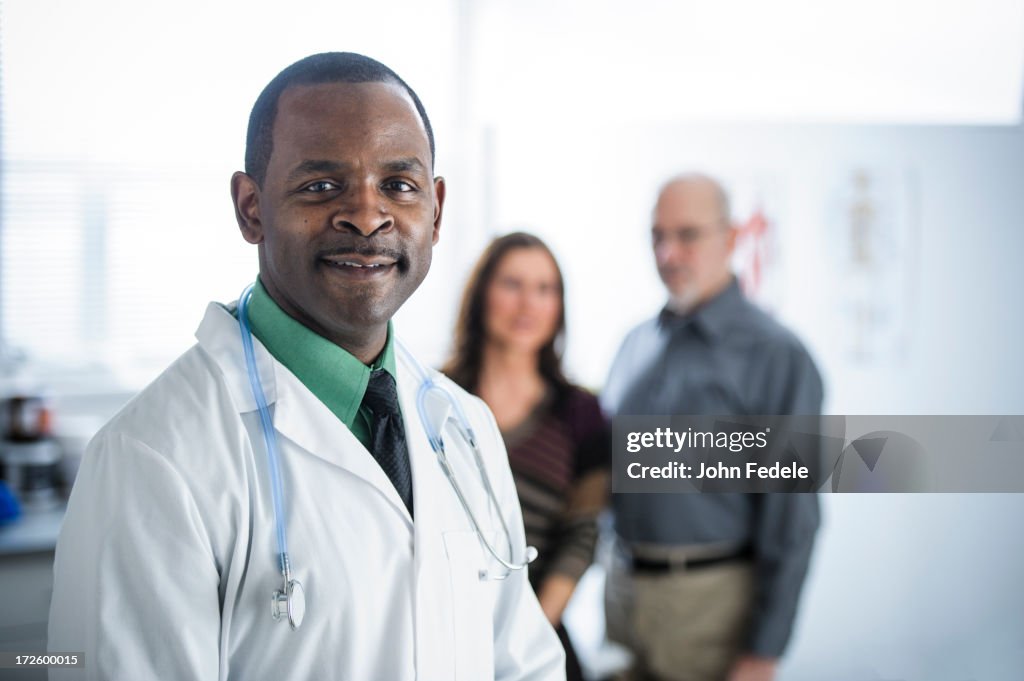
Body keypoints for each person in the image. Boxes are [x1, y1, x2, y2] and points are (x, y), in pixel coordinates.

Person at [48, 53, 565, 681]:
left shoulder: (465, 427)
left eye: (398, 185)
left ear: (436, 208)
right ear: (251, 208)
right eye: (321, 186)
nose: (367, 216)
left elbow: (523, 663)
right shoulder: (153, 457)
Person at [602, 174, 823, 681]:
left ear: (732, 237)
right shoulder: (636, 342)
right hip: (624, 597)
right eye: (657, 236)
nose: (668, 253)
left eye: (687, 235)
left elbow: (793, 516)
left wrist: (763, 652)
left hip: (711, 605)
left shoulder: (776, 355)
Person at [444, 233, 610, 681]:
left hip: (537, 639)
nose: (528, 304)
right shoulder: (433, 396)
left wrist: (524, 637)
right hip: (438, 633)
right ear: (481, 294)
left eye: (545, 289)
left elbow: (582, 538)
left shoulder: (582, 413)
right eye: (512, 284)